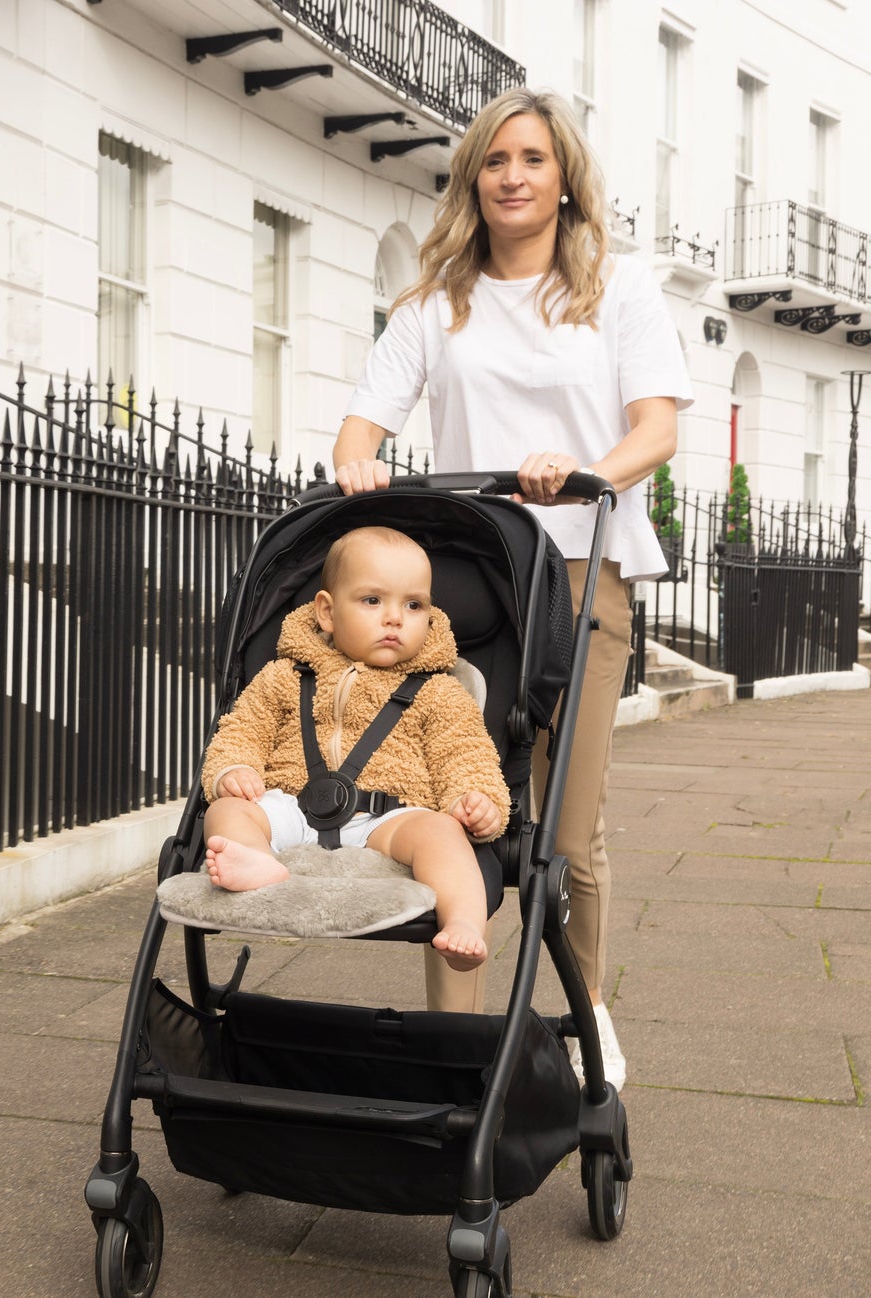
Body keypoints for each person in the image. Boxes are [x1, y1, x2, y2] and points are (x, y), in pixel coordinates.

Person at [331, 87, 691, 1083]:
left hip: (580, 569)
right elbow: (360, 428)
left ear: (563, 178)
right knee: (456, 808)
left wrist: (584, 473)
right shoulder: (431, 305)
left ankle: (585, 1013)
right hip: (467, 582)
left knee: (567, 830)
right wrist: (361, 467)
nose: (512, 176)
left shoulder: (617, 290)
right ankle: (456, 1042)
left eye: (531, 158)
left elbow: (655, 428)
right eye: (494, 160)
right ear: (471, 179)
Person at [200, 526, 511, 973]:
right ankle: (260, 863)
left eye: (413, 604)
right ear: (326, 612)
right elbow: (243, 728)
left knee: (442, 834)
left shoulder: (440, 691)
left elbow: (463, 753)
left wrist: (475, 799)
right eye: (372, 600)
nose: (394, 618)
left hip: (388, 818)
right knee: (227, 810)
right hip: (290, 807)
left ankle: (463, 920)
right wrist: (234, 768)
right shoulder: (285, 676)